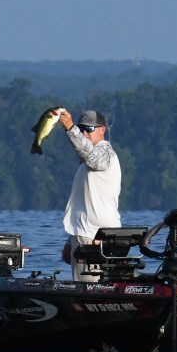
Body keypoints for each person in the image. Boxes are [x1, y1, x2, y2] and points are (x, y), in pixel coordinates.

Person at [58, 108, 122, 281]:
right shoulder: (87, 163)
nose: (84, 132)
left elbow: (92, 157)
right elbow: (82, 205)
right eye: (81, 129)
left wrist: (71, 129)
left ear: (102, 130)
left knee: (88, 291)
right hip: (85, 233)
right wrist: (70, 241)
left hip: (93, 235)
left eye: (89, 128)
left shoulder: (105, 153)